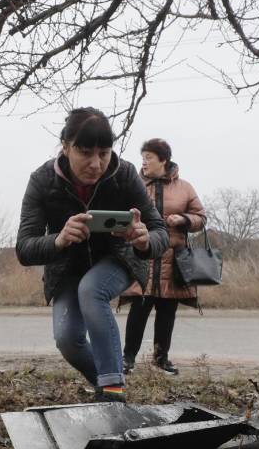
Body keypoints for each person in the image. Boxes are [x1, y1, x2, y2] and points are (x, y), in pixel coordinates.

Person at [16, 108, 169, 401]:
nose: (96, 164)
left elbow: (159, 231)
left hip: (118, 259)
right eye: (85, 152)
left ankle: (113, 391)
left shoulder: (124, 174)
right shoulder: (42, 180)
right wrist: (58, 240)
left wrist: (143, 238)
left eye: (104, 152)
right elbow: (24, 247)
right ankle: (104, 383)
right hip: (66, 268)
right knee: (67, 340)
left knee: (92, 288)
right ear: (65, 146)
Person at [120, 139, 207, 376]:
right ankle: (127, 359)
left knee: (167, 312)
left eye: (149, 157)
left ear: (163, 160)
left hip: (173, 261)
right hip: (142, 258)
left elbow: (201, 217)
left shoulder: (185, 187)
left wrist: (184, 220)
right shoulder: (134, 185)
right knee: (138, 309)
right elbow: (120, 214)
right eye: (143, 157)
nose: (144, 162)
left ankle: (161, 359)